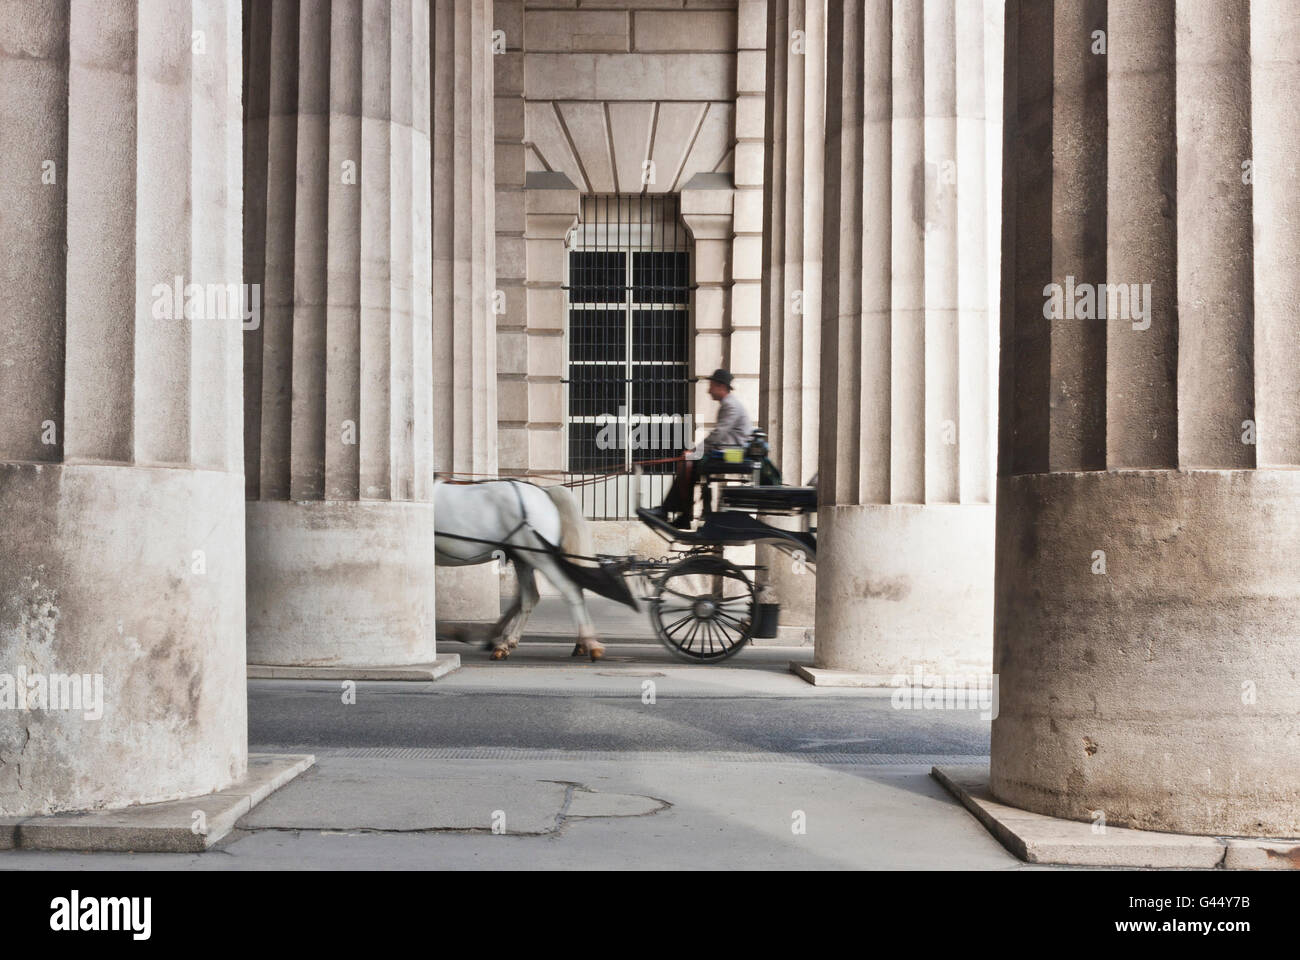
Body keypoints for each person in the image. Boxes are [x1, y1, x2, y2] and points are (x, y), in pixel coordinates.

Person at [649, 368, 753, 528]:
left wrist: (694, 451)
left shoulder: (730, 405)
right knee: (690, 464)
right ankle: (682, 513)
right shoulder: (729, 404)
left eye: (711, 385)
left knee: (689, 463)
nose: (708, 390)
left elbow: (718, 434)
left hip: (734, 454)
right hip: (731, 451)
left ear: (720, 386)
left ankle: (673, 512)